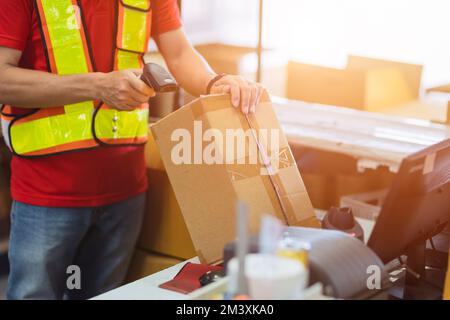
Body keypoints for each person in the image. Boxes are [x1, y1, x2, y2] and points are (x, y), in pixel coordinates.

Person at [0, 0, 264, 300]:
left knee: (103, 296)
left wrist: (216, 82)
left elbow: (178, 52)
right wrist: (97, 86)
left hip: (125, 192)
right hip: (46, 194)